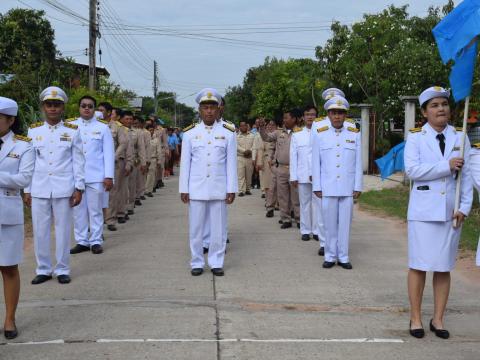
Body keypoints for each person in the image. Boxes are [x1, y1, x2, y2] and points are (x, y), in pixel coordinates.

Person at [404, 86, 473, 339]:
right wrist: (446, 166)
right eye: (434, 105)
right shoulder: (415, 138)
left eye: (443, 104)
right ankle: (415, 318)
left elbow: (465, 177)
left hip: (449, 213)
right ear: (424, 112)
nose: (440, 109)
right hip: (423, 212)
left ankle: (439, 319)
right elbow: (413, 170)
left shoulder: (460, 137)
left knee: (443, 267)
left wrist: (464, 207)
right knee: (419, 266)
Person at [25, 86, 85, 285]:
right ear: (43, 107)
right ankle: (43, 268)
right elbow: (29, 163)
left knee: (63, 229)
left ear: (63, 107)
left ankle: (62, 269)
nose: (52, 108)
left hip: (64, 187)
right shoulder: (33, 131)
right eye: (49, 105)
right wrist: (27, 189)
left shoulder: (72, 131)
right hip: (39, 187)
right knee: (40, 230)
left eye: (56, 105)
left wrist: (79, 187)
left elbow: (78, 161)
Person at [179, 88, 237, 276]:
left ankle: (216, 262)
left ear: (219, 109)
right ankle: (196, 262)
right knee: (195, 228)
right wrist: (183, 188)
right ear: (199, 110)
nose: (209, 111)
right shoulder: (189, 133)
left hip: (219, 188)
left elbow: (231, 164)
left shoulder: (228, 133)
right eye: (205, 107)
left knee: (218, 229)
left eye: (213, 107)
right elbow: (185, 163)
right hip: (196, 188)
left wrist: (232, 188)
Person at [312, 96, 362, 270]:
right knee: (329, 223)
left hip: (347, 187)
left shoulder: (354, 134)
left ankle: (343, 256)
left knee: (345, 224)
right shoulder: (320, 134)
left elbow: (357, 162)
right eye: (334, 113)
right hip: (328, 186)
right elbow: (316, 162)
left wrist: (358, 186)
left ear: (346, 115)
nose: (337, 116)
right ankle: (330, 255)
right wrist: (316, 186)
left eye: (341, 113)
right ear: (328, 114)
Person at [0, 97, 34, 339]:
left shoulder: (23, 145)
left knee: (8, 267)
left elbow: (24, 179)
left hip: (7, 211)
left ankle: (10, 319)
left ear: (10, 120)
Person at [69, 95, 115, 255]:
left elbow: (108, 153)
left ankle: (96, 240)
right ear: (79, 108)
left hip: (96, 175)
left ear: (94, 109)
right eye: (83, 105)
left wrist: (109, 176)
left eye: (90, 106)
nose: (87, 108)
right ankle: (81, 240)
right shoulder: (71, 126)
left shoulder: (103, 128)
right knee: (78, 210)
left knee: (95, 210)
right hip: (76, 176)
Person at [290, 105, 326, 247]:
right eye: (307, 114)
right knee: (304, 203)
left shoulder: (323, 133)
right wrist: (293, 176)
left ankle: (317, 231)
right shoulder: (297, 134)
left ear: (317, 116)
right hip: (302, 174)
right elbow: (293, 157)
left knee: (318, 204)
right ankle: (305, 230)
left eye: (312, 114)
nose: (310, 117)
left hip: (318, 175)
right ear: (303, 117)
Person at [259, 110, 301, 229]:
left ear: (294, 119)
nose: (284, 120)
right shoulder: (278, 133)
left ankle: (299, 219)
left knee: (296, 196)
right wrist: (262, 127)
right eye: (283, 118)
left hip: (295, 169)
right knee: (282, 196)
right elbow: (266, 137)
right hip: (281, 169)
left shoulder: (300, 132)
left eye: (286, 118)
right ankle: (285, 219)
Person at [103, 103, 129, 230]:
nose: (99, 112)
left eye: (102, 110)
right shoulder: (95, 126)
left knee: (112, 191)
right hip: (97, 164)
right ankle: (97, 219)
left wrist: (112, 156)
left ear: (108, 112)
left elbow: (123, 144)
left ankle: (110, 220)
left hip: (114, 163)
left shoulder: (117, 127)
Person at [237, 121, 255, 196]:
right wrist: (244, 151)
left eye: (244, 126)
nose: (243, 127)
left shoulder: (252, 135)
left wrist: (250, 151)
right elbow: (236, 146)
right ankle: (241, 190)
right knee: (240, 174)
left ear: (247, 127)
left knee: (249, 175)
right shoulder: (236, 136)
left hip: (249, 157)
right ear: (239, 127)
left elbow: (254, 145)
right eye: (241, 126)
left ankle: (248, 189)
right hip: (240, 157)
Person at [145, 124, 161, 197]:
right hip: (144, 159)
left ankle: (149, 190)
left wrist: (159, 161)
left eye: (152, 130)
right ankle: (142, 191)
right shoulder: (144, 138)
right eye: (149, 130)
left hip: (153, 159)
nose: (150, 131)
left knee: (151, 175)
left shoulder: (156, 140)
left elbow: (159, 151)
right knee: (143, 176)